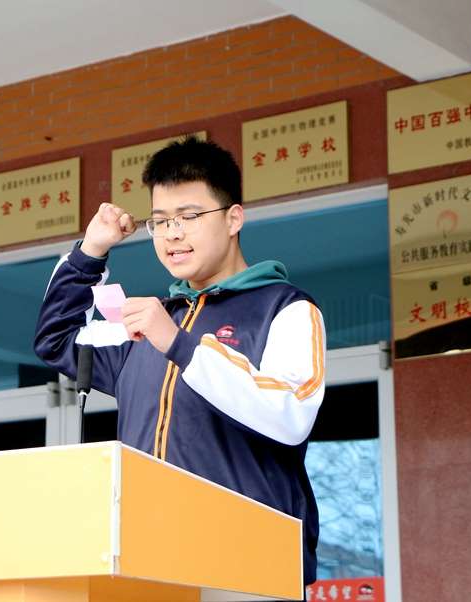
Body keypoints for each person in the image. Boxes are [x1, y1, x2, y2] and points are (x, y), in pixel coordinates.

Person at [34, 136, 325, 586]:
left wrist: (180, 345)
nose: (172, 233)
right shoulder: (150, 322)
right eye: (160, 221)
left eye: (189, 217)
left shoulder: (285, 309)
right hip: (147, 562)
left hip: (249, 567)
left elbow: (290, 415)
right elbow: (56, 340)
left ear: (233, 219)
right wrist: (89, 252)